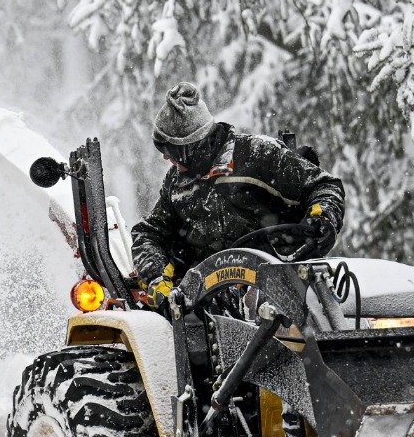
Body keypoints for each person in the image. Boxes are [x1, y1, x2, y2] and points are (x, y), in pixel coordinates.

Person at [130, 83, 345, 296]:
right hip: (212, 307)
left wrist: (322, 218)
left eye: (170, 149)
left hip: (285, 289)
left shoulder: (258, 155)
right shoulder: (176, 184)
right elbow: (148, 233)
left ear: (192, 145)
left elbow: (324, 186)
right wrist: (156, 275)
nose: (166, 157)